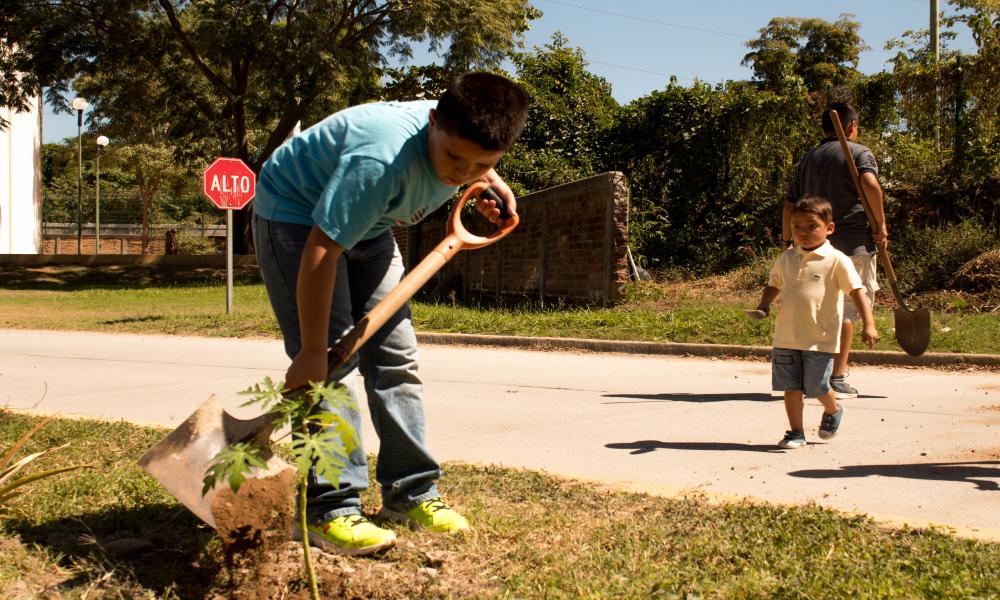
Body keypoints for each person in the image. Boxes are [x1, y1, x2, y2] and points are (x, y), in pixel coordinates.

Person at [252, 72, 530, 555]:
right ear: (432, 124)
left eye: (480, 164)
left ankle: (411, 493)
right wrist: (312, 351)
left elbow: (471, 157)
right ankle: (328, 509)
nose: (460, 174)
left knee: (396, 358)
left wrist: (490, 179)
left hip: (371, 226)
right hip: (297, 218)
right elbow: (321, 250)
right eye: (452, 158)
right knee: (330, 370)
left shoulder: (464, 133)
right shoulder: (379, 160)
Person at [753, 196, 878, 449]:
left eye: (812, 226)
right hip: (787, 335)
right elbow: (774, 284)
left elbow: (857, 291)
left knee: (817, 386)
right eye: (796, 227)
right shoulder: (787, 258)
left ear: (829, 228)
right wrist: (764, 305)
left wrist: (869, 324)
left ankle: (833, 409)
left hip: (820, 338)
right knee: (790, 387)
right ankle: (796, 432)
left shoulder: (837, 260)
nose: (803, 233)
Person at [784, 102, 887, 399]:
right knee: (848, 311)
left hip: (814, 248)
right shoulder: (858, 152)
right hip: (852, 243)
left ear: (825, 128)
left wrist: (787, 241)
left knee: (823, 309)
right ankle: (837, 376)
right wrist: (880, 225)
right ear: (851, 126)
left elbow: (790, 203)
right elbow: (870, 184)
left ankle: (815, 374)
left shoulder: (809, 159)